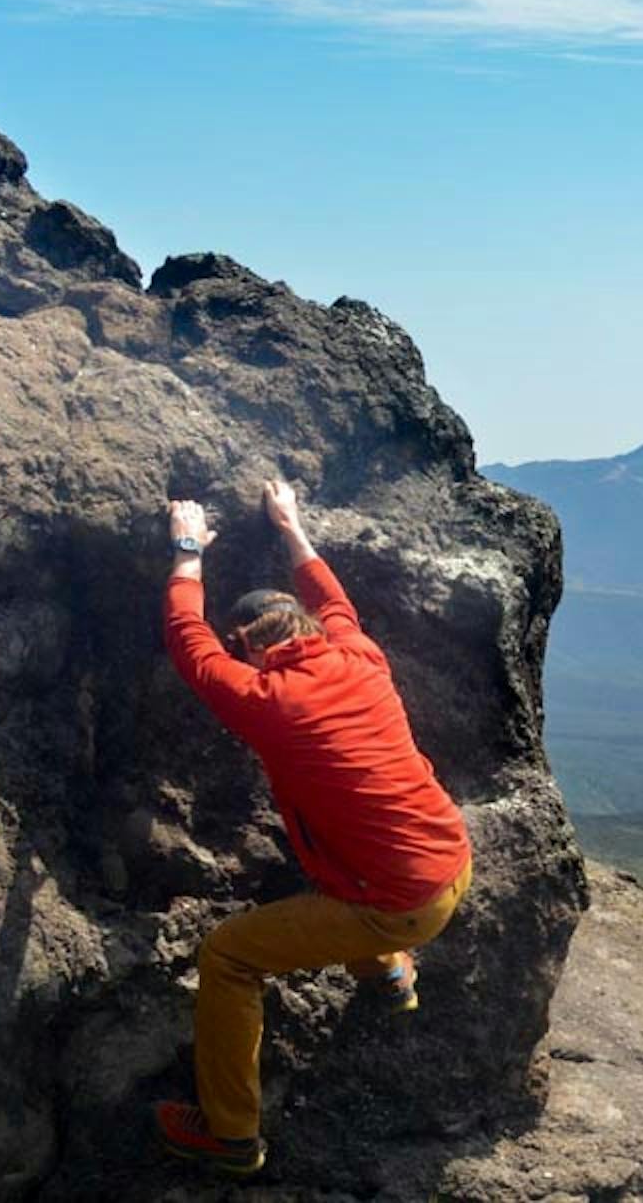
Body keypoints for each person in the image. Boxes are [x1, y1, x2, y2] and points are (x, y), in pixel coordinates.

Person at [153, 480, 474, 1177]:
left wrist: (186, 549)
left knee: (230, 956)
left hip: (397, 906)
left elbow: (188, 641)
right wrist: (291, 524)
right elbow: (332, 594)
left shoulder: (267, 699)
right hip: (452, 861)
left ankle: (230, 1134)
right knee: (338, 853)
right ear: (305, 627)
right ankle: (388, 977)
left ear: (247, 647)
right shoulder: (360, 656)